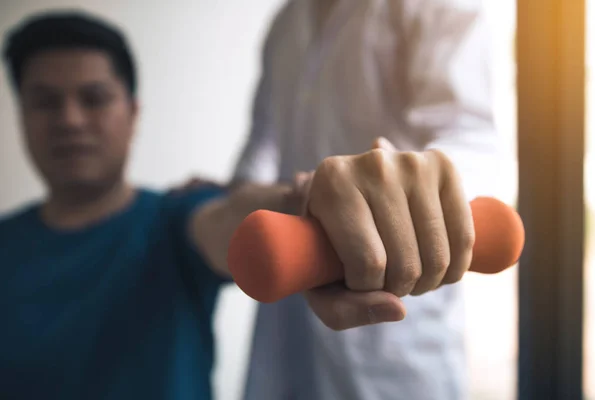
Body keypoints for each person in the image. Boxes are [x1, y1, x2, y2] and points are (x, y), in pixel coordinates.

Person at [0, 10, 480, 400]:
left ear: (133, 112)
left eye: (94, 97)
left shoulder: (172, 219)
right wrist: (258, 195)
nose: (69, 120)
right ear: (20, 116)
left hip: (396, 333)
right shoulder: (286, 26)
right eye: (44, 102)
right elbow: (259, 152)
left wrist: (307, 214)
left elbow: (232, 222)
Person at [233, 1, 504, 399]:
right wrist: (235, 193)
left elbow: (471, 138)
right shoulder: (286, 21)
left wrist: (407, 193)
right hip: (292, 300)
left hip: (396, 325)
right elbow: (263, 140)